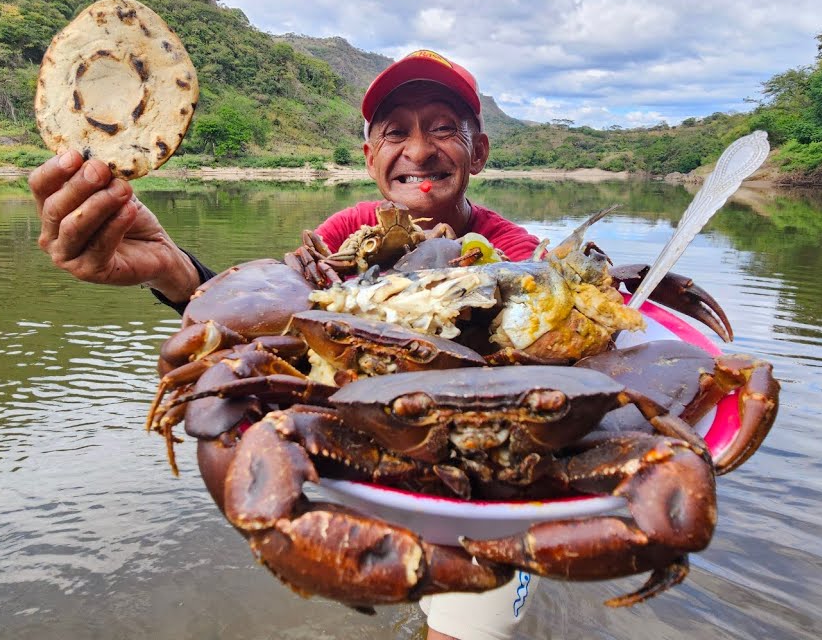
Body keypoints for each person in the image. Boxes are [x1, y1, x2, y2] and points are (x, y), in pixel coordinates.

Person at [28, 49, 543, 640]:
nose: (420, 151)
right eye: (395, 132)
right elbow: (275, 321)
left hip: (484, 477)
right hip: (368, 451)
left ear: (478, 152)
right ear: (370, 154)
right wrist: (174, 273)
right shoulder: (347, 234)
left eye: (444, 129)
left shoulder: (516, 252)